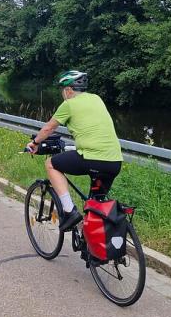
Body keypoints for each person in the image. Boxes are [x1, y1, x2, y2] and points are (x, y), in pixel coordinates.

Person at [27, 70, 123, 232]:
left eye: (62, 90)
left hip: (92, 159)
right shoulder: (97, 98)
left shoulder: (69, 104)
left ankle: (69, 211)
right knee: (96, 206)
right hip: (115, 161)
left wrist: (35, 142)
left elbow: (49, 128)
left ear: (69, 90)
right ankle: (94, 244)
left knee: (50, 164)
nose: (62, 94)